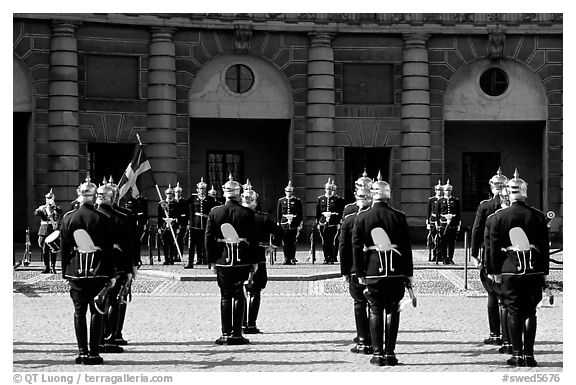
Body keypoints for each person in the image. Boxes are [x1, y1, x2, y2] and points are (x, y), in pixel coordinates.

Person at [486, 169, 549, 367]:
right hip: (534, 270)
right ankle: (529, 356)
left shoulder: (499, 217)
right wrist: (545, 274)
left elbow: (493, 249)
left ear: (508, 192)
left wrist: (494, 272)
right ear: (524, 192)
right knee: (531, 312)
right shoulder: (538, 217)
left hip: (509, 270)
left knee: (514, 311)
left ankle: (517, 354)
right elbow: (545, 249)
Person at [352, 171, 413, 366]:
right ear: (388, 194)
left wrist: (359, 272)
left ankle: (378, 355)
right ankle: (390, 354)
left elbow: (356, 248)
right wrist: (408, 274)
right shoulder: (399, 216)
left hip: (372, 269)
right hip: (396, 271)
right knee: (393, 310)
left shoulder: (362, 217)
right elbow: (406, 248)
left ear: (371, 194)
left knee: (375, 310)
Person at [60, 175, 117, 365]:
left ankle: (82, 352)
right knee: (97, 311)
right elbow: (109, 250)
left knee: (79, 312)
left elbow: (65, 249)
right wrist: (110, 275)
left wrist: (65, 272)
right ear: (94, 197)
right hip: (98, 270)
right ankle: (94, 353)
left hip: (75, 271)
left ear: (79, 195)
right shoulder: (103, 218)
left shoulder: (68, 218)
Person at [205, 174, 259, 345]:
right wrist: (255, 261)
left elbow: (208, 238)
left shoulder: (215, 212)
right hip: (242, 259)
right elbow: (254, 240)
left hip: (222, 259)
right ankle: (237, 333)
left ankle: (225, 333)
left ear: (224, 194)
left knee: (225, 296)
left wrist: (211, 261)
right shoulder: (247, 213)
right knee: (240, 295)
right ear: (238, 193)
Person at [95, 181, 135, 354]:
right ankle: (112, 336)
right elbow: (131, 244)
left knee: (98, 302)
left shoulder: (90, 215)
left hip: (94, 266)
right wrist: (131, 267)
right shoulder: (122, 217)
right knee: (116, 301)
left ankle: (98, 337)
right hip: (118, 264)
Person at [470, 167, 508, 346]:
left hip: (489, 254)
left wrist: (474, 253)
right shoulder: (514, 206)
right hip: (509, 256)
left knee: (493, 296)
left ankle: (495, 333)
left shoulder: (485, 205)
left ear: (491, 187)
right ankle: (509, 336)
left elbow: (476, 230)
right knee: (507, 297)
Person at [241, 181, 282, 334]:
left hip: (239, 257)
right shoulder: (263, 218)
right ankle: (251, 324)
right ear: (255, 202)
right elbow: (279, 232)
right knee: (256, 291)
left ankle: (242, 323)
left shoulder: (235, 216)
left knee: (241, 290)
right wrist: (273, 246)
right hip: (259, 256)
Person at [340, 180, 372, 355]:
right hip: (376, 267)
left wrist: (345, 270)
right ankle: (374, 338)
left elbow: (344, 247)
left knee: (359, 303)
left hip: (354, 266)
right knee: (374, 305)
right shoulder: (378, 217)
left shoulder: (349, 220)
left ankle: (362, 340)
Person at [484, 187, 513, 355]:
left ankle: (507, 342)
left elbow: (490, 247)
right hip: (525, 268)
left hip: (502, 268)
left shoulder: (494, 218)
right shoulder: (534, 215)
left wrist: (492, 270)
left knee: (503, 304)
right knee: (528, 311)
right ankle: (524, 350)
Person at [186, 177, 217, 268]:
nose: (202, 190)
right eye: (200, 188)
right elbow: (188, 209)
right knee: (192, 245)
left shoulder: (210, 199)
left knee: (207, 244)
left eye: (203, 189)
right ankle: (190, 262)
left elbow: (213, 211)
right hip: (195, 225)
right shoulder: (193, 198)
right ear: (197, 189)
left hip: (206, 224)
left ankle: (208, 262)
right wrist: (189, 223)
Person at [316, 178, 345, 264]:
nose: (329, 190)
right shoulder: (320, 199)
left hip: (333, 222)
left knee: (333, 240)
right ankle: (326, 257)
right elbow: (318, 212)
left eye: (330, 189)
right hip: (323, 222)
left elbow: (340, 212)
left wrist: (339, 222)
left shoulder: (337, 200)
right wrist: (318, 222)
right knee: (325, 241)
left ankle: (332, 257)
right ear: (325, 189)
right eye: (327, 189)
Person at [34, 188, 63, 274]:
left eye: (50, 198)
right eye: (47, 198)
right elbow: (36, 213)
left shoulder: (56, 208)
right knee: (44, 249)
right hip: (43, 230)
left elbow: (60, 212)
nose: (49, 199)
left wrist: (54, 207)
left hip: (53, 231)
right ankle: (46, 267)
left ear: (53, 198)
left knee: (53, 249)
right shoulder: (42, 207)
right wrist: (40, 209)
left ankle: (53, 267)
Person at [276, 181, 303, 265]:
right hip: (284, 224)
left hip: (294, 224)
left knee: (292, 242)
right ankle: (286, 258)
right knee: (285, 242)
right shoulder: (281, 201)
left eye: (290, 191)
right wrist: (278, 223)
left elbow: (300, 213)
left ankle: (292, 257)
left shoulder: (297, 201)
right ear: (285, 191)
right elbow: (279, 213)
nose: (289, 193)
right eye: (287, 191)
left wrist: (299, 224)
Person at [435, 179, 461, 264]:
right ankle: (444, 258)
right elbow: (437, 213)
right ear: (443, 191)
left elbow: (458, 213)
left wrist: (458, 224)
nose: (448, 192)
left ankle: (450, 258)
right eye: (446, 190)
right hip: (443, 224)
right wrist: (438, 224)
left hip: (453, 224)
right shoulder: (440, 201)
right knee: (443, 242)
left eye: (449, 190)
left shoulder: (455, 201)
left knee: (451, 242)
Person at [158, 185, 182, 265]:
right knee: (164, 243)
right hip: (164, 225)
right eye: (168, 193)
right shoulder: (161, 204)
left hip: (173, 224)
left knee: (172, 243)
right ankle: (166, 258)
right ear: (165, 194)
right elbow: (159, 216)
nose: (169, 195)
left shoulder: (176, 204)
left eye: (171, 193)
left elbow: (178, 216)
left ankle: (171, 258)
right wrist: (159, 227)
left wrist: (178, 226)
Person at [426, 180, 443, 262]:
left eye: (441, 190)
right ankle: (434, 255)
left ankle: (440, 255)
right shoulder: (432, 200)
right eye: (438, 190)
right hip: (433, 220)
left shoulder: (444, 200)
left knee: (441, 239)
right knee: (433, 239)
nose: (439, 192)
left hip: (441, 221)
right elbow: (429, 211)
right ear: (435, 190)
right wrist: (428, 222)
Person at [173, 182, 189, 264]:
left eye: (179, 192)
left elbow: (187, 213)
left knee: (180, 240)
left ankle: (180, 255)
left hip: (182, 223)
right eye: (176, 192)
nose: (177, 193)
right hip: (174, 224)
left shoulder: (184, 202)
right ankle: (174, 255)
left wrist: (187, 223)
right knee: (174, 240)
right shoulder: (172, 202)